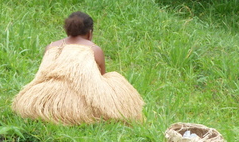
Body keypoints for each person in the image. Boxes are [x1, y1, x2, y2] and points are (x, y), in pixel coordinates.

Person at [12, 12, 144, 125]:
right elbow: (102, 77)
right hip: (73, 106)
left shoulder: (51, 46)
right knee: (113, 78)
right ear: (90, 33)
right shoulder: (93, 49)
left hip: (38, 102)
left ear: (67, 30)